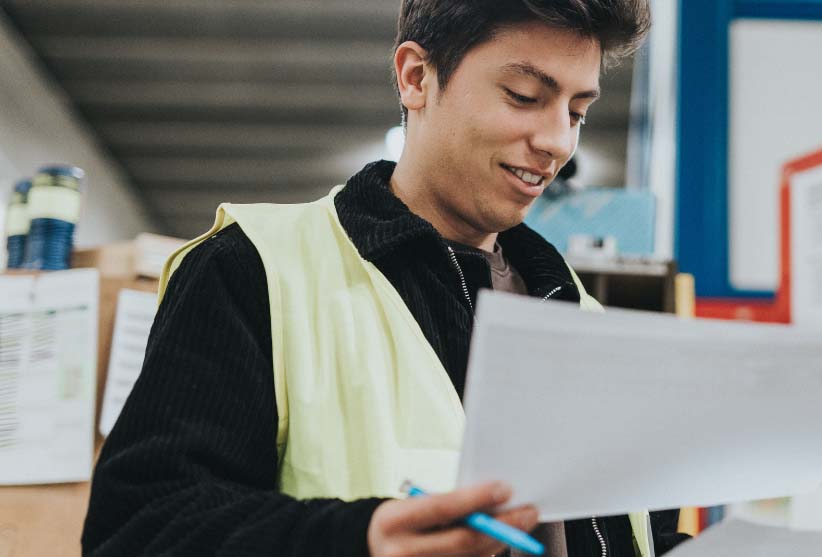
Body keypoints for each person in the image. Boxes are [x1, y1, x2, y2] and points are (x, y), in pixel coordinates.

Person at [82, 1, 688, 555]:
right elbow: (139, 529)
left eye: (578, 112)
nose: (557, 141)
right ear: (416, 77)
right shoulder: (254, 268)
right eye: (525, 96)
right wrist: (358, 540)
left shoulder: (579, 314)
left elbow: (621, 529)